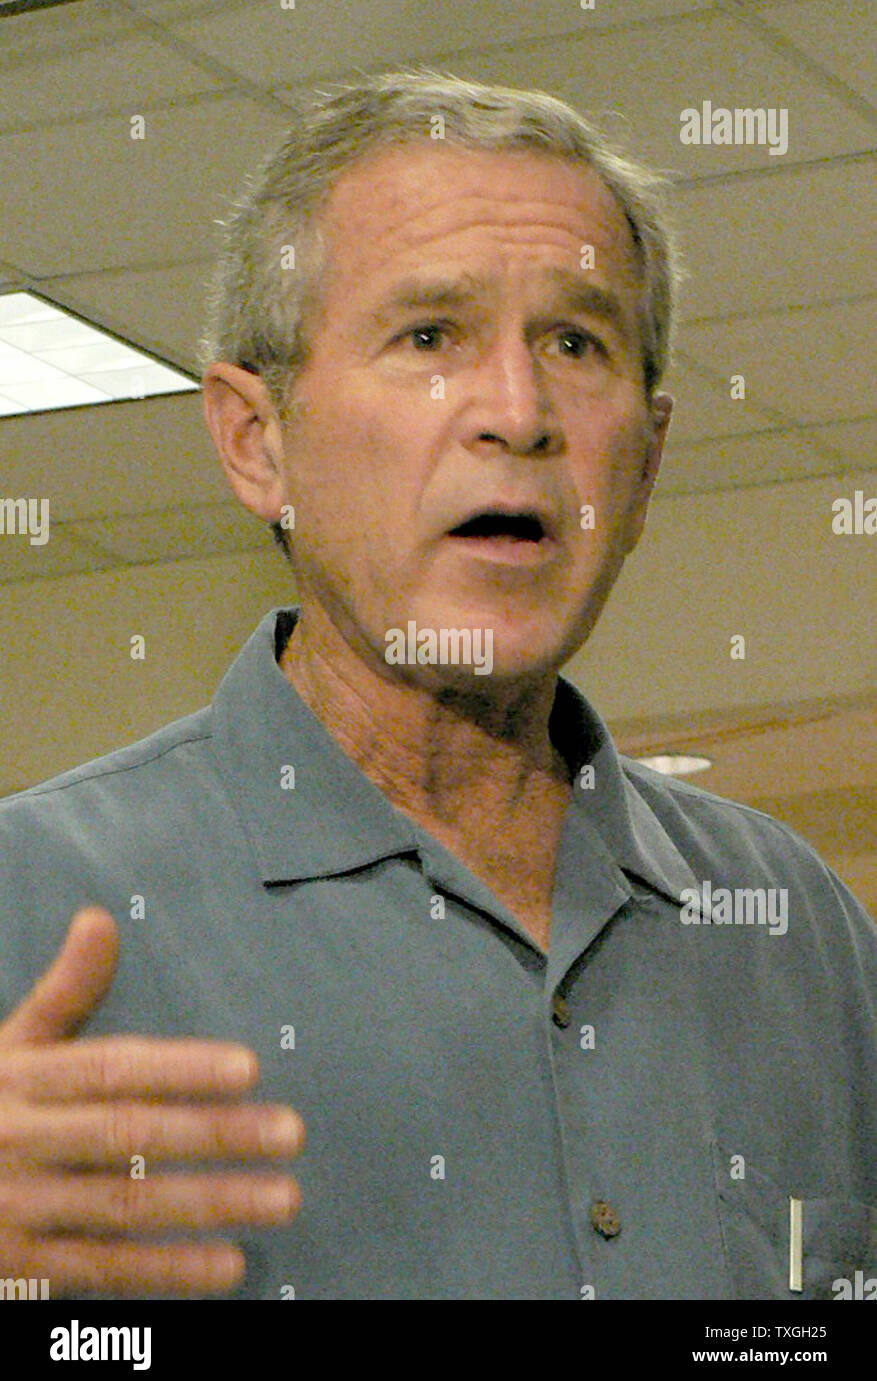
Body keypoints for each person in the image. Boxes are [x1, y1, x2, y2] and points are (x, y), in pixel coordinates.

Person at [0, 70, 873, 1302]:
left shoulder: (801, 929)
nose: (516, 413)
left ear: (648, 455)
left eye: (575, 343)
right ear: (258, 442)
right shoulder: (33, 903)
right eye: (428, 338)